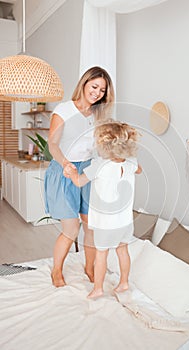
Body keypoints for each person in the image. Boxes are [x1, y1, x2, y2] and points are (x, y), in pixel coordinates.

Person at [44, 66, 115, 287]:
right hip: (64, 169)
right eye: (94, 86)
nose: (97, 93)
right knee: (71, 228)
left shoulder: (98, 116)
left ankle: (89, 267)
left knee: (90, 225)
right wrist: (65, 163)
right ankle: (56, 271)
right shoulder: (64, 110)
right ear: (84, 84)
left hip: (87, 171)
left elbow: (99, 147)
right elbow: (52, 144)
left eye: (102, 90)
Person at [63, 120, 142, 298]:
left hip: (105, 222)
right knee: (123, 251)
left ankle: (98, 288)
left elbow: (78, 182)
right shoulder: (131, 162)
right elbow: (139, 170)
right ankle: (124, 282)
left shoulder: (99, 165)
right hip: (124, 220)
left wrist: (72, 173)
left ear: (105, 145)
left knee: (101, 254)